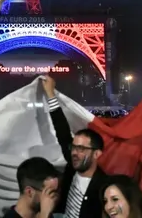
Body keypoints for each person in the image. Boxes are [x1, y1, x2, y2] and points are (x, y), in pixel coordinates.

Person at [42, 75, 106, 218]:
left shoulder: (104, 188)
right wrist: (50, 94)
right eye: (74, 147)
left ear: (97, 154)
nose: (74, 153)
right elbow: (62, 130)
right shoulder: (72, 167)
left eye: (81, 149)